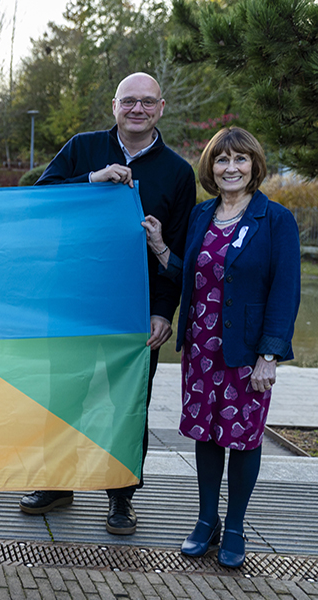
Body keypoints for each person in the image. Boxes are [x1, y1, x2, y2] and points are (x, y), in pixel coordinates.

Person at [20, 72, 197, 535]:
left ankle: (121, 496)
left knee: (128, 403)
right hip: (74, 299)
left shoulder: (178, 172)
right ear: (114, 106)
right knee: (63, 396)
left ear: (161, 107)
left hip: (136, 308)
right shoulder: (83, 148)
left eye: (147, 102)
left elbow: (176, 250)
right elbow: (39, 203)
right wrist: (92, 181)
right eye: (128, 102)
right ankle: (57, 483)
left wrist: (164, 311)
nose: (137, 109)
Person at [143, 127, 300, 568]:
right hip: (201, 349)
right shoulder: (201, 216)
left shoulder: (276, 220)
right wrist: (160, 247)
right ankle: (205, 520)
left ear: (254, 167)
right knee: (206, 436)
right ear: (211, 167)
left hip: (246, 354)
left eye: (240, 160)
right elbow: (187, 273)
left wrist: (269, 355)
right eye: (221, 160)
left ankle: (234, 527)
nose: (230, 168)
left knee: (244, 439)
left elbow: (285, 293)